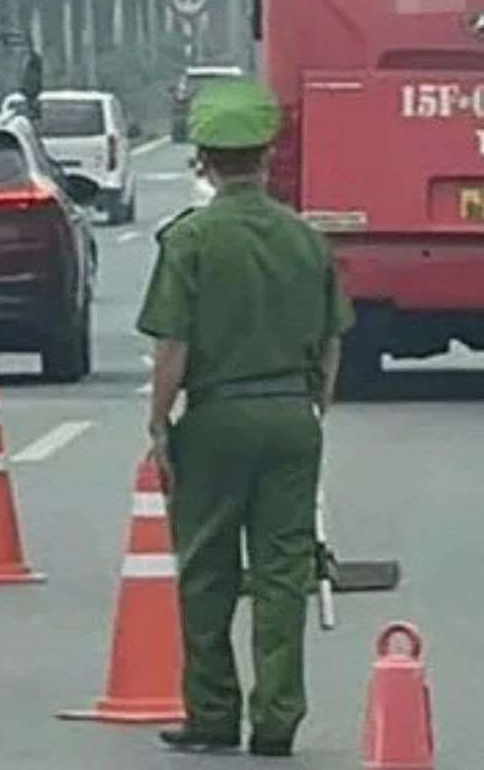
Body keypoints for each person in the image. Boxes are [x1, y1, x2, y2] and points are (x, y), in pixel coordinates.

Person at [136, 79, 353, 759]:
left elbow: (173, 347)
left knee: (207, 569)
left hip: (218, 418)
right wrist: (314, 407)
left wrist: (158, 425)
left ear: (203, 160)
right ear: (267, 157)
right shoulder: (306, 239)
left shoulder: (190, 240)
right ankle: (278, 718)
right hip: (292, 414)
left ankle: (212, 712)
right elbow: (331, 341)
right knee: (284, 570)